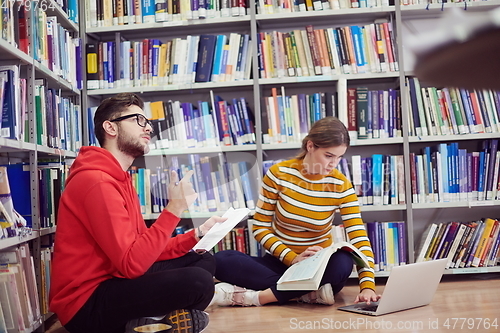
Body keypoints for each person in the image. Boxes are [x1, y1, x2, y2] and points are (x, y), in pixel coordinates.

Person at [49, 93, 225, 333]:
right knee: (198, 282)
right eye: (138, 120)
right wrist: (174, 209)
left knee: (202, 259)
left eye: (148, 122)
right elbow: (133, 265)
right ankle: (151, 322)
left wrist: (196, 235)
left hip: (115, 277)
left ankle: (149, 323)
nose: (148, 129)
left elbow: (143, 250)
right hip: (86, 303)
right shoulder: (96, 182)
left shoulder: (120, 178)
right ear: (110, 127)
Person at [212, 116, 380, 307]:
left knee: (343, 262)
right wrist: (292, 258)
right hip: (281, 263)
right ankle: (307, 294)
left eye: (339, 157)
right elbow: (259, 227)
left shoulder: (341, 185)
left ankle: (258, 296)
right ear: (310, 146)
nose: (334, 164)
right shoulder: (279, 174)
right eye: (328, 156)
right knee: (221, 260)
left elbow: (358, 236)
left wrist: (368, 286)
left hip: (318, 269)